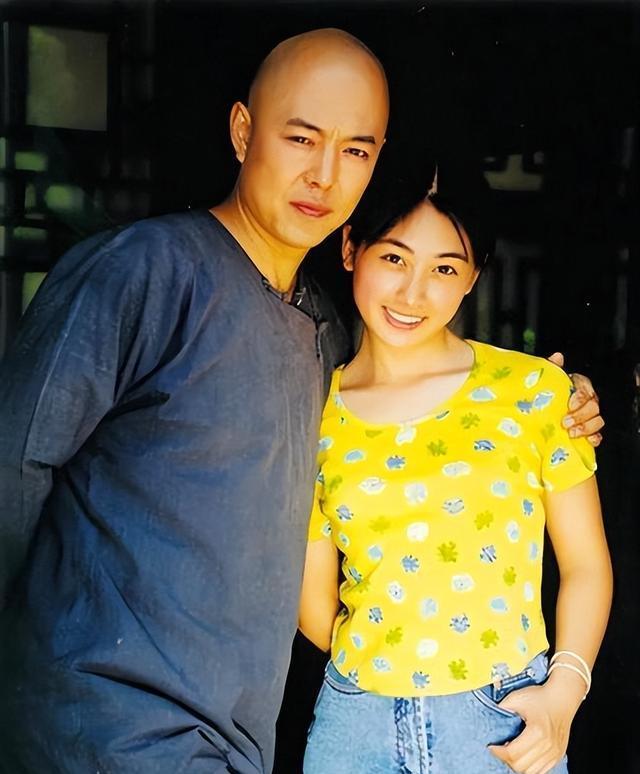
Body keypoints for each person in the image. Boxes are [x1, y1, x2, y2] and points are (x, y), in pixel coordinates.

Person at [0, 28, 602, 774]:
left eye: (355, 150)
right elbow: (14, 464)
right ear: (242, 131)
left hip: (235, 739)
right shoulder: (142, 271)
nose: (323, 175)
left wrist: (560, 400)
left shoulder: (325, 336)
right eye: (301, 138)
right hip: (98, 726)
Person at [299, 162, 613, 774]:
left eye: (445, 268)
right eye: (394, 258)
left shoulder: (534, 393)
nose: (412, 294)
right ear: (350, 248)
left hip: (501, 723)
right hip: (355, 728)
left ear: (473, 276)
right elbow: (315, 606)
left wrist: (563, 696)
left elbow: (587, 566)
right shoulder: (313, 414)